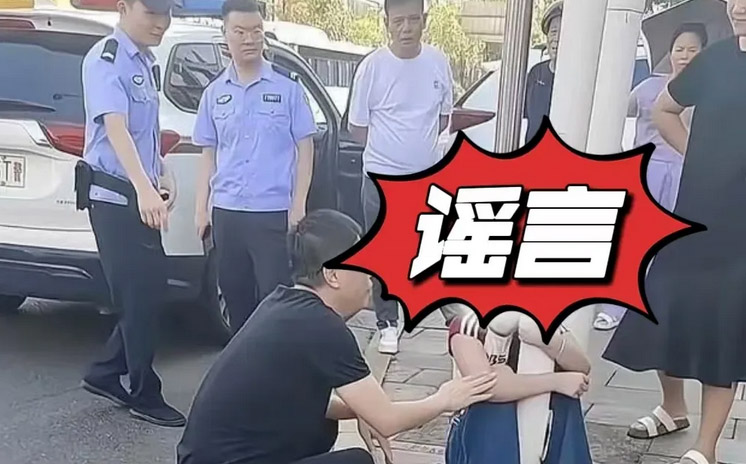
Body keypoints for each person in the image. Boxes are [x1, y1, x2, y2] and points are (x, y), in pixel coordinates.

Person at [176, 209, 497, 464]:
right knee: (357, 461)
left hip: (208, 457)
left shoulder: (285, 303)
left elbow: (292, 399)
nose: (372, 273)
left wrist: (360, 409)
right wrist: (445, 399)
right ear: (333, 275)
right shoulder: (321, 326)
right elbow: (388, 421)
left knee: (320, 427)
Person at [603, 1, 746, 463]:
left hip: (741, 229)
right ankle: (673, 407)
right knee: (664, 306)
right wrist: (699, 156)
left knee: (722, 325)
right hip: (694, 213)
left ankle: (706, 446)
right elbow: (665, 109)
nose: (739, 7)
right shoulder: (715, 58)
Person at [74, 0, 186, 428]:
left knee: (151, 290)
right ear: (123, 7)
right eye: (151, 12)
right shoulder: (106, 59)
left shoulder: (145, 62)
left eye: (167, 13)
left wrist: (162, 172)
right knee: (140, 297)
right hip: (115, 198)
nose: (161, 22)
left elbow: (144, 133)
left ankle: (105, 372)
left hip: (139, 193)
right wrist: (143, 189)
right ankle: (144, 392)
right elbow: (115, 127)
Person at [193, 0, 317, 334]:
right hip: (227, 212)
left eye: (256, 31)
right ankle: (243, 360)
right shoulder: (214, 93)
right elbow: (208, 154)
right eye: (240, 32)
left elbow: (305, 148)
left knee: (276, 300)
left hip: (272, 213)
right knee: (236, 298)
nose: (249, 39)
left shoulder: (287, 88)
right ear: (225, 35)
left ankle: (276, 361)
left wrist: (298, 204)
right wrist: (201, 209)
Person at [348, 0, 454, 354]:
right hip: (381, 177)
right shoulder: (372, 67)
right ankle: (387, 323)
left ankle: (452, 318)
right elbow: (357, 127)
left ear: (424, 20)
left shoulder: (438, 61)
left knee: (431, 249)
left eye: (413, 20)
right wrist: (390, 151)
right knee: (383, 254)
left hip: (426, 178)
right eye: (398, 21)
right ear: (386, 23)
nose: (406, 28)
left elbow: (443, 117)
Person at [593, 23, 708, 332]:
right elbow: (613, 111)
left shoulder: (708, 91)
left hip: (686, 173)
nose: (685, 56)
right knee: (632, 240)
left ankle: (667, 311)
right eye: (679, 49)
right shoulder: (648, 88)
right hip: (646, 171)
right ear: (669, 53)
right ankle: (615, 309)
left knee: (679, 243)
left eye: (693, 50)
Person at [444, 308, 592, 463]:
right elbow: (485, 386)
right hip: (490, 431)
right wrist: (556, 382)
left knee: (566, 403)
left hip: (548, 421)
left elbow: (582, 368)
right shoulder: (468, 324)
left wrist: (551, 343)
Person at [524, 0, 562, 144]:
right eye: (553, 32)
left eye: (562, 32)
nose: (556, 39)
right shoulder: (536, 73)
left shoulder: (580, 79)